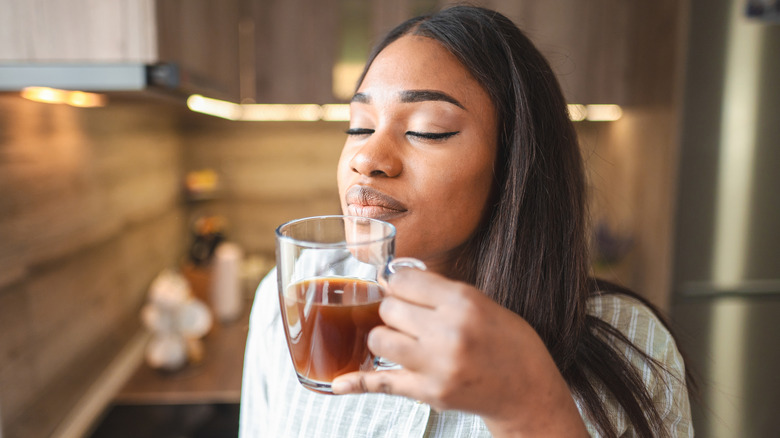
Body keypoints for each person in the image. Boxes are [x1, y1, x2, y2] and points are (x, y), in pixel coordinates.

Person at [239, 5, 693, 437]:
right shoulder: (289, 300)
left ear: (516, 164)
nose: (367, 158)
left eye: (427, 130)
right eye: (359, 126)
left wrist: (530, 407)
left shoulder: (634, 345)